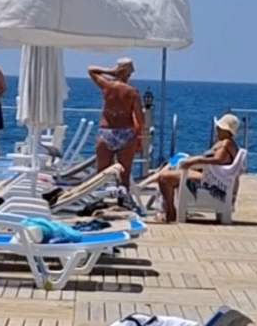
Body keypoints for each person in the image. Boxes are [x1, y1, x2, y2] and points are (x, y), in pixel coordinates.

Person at [139, 113, 240, 223]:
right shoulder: (228, 143)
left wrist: (195, 161)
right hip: (212, 176)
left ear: (226, 130)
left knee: (164, 176)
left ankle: (168, 211)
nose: (217, 129)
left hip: (210, 178)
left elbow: (218, 160)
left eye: (219, 128)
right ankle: (147, 186)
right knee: (171, 164)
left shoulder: (226, 143)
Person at [87, 57, 145, 189]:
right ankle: (122, 198)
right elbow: (140, 119)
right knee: (124, 174)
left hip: (106, 132)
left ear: (117, 70)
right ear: (129, 73)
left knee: (101, 173)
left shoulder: (107, 85)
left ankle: (100, 197)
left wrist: (111, 71)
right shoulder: (132, 92)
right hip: (126, 133)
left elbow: (91, 70)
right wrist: (139, 138)